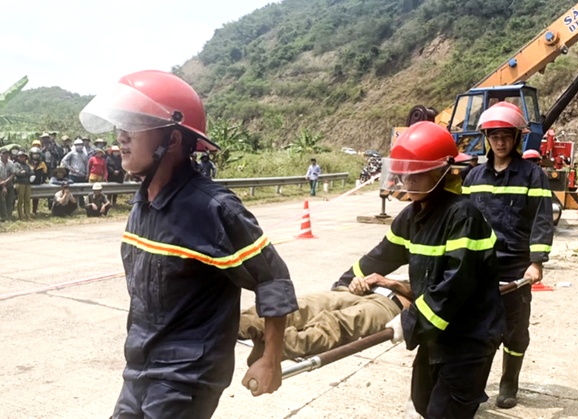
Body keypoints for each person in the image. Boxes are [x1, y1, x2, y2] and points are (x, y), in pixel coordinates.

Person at [79, 69, 298, 417]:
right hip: (139, 368)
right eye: (121, 125)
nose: (121, 135)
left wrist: (271, 359)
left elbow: (272, 278)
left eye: (134, 125)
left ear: (174, 139)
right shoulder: (142, 202)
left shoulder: (212, 208)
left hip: (186, 377)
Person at [359, 121, 504, 418]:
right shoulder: (411, 216)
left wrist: (408, 322)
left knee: (445, 412)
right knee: (423, 401)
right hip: (436, 334)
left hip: (469, 336)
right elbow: (379, 258)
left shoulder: (463, 216)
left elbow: (455, 288)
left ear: (444, 171)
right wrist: (346, 285)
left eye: (419, 173)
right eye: (405, 173)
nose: (409, 181)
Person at [462, 102, 553, 409]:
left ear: (517, 137)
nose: (500, 142)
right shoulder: (474, 176)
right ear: (487, 138)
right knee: (480, 329)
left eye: (506, 135)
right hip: (480, 266)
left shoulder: (532, 175)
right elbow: (462, 221)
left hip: (516, 266)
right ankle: (476, 385)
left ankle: (509, 382)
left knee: (515, 330)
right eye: (494, 135)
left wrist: (536, 261)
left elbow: (542, 216)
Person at [240, 273, 410, 364]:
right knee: (305, 304)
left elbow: (431, 297)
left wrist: (392, 283)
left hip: (391, 305)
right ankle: (245, 323)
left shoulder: (434, 268)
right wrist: (358, 282)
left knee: (340, 323)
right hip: (361, 291)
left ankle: (278, 346)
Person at [13, 151, 34, 221]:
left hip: (27, 184)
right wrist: (26, 173)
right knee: (20, 200)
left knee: (27, 200)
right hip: (20, 184)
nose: (22, 158)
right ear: (18, 157)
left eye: (23, 156)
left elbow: (32, 172)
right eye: (20, 156)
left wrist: (25, 172)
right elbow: (18, 173)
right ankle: (20, 216)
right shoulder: (16, 164)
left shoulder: (27, 165)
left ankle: (28, 215)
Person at [29, 146, 49, 215]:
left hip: (38, 183)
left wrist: (43, 181)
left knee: (36, 198)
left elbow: (45, 173)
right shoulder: (27, 162)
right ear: (31, 154)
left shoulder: (42, 163)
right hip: (28, 183)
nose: (35, 155)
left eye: (37, 154)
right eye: (34, 154)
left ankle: (34, 211)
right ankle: (26, 211)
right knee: (26, 198)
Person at [0, 149, 16, 222]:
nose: (5, 155)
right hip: (0, 183)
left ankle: (9, 216)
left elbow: (13, 174)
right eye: (4, 154)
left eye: (7, 154)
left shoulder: (11, 163)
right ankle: (4, 217)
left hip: (9, 183)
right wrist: (3, 186)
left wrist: (6, 182)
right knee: (2, 201)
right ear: (1, 154)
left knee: (10, 200)